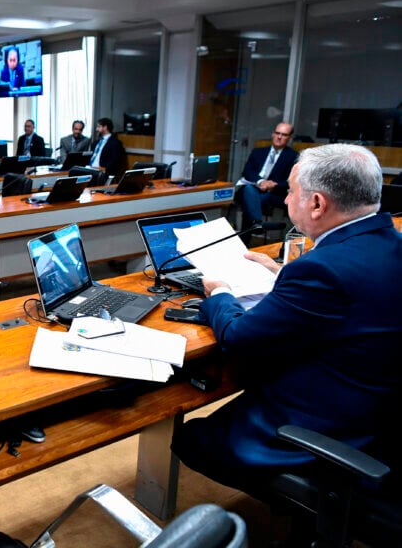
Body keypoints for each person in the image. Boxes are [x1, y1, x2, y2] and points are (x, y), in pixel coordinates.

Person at [171, 144, 402, 502]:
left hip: (332, 427)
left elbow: (239, 338)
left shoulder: (322, 270)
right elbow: (356, 296)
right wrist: (284, 274)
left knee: (191, 437)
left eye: (292, 190)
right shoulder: (391, 244)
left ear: (317, 204)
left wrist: (220, 294)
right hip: (383, 416)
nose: (288, 197)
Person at [234, 122, 297, 233]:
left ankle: (251, 231)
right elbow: (247, 172)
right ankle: (257, 223)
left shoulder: (293, 156)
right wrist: (261, 181)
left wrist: (274, 185)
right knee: (249, 190)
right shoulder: (258, 152)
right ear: (273, 134)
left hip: (273, 193)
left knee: (249, 202)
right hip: (253, 188)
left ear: (289, 138)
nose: (279, 137)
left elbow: (291, 181)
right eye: (277, 133)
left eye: (284, 135)